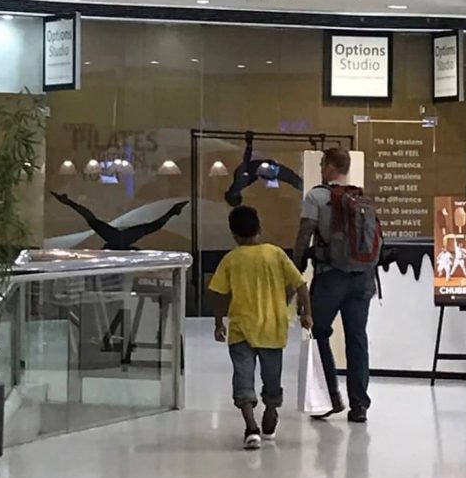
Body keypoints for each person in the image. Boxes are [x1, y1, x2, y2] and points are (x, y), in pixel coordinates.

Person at [210, 205, 312, 450]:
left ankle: (250, 427)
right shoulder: (275, 254)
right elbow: (300, 284)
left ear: (233, 233)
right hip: (272, 329)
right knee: (272, 377)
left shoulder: (231, 259)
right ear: (259, 228)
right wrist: (307, 313)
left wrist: (218, 322)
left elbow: (219, 294)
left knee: (242, 378)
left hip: (240, 329)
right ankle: (271, 409)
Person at [293, 148, 375, 424]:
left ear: (328, 166)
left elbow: (304, 236)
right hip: (363, 279)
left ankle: (330, 398)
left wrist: (296, 271)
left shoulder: (316, 197)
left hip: (331, 277)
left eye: (321, 164)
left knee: (318, 330)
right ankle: (359, 405)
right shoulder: (361, 198)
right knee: (357, 339)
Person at [50, 192, 188, 249]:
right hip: (118, 240)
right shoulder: (119, 243)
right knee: (149, 228)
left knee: (91, 220)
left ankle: (173, 211)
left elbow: (89, 217)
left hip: (117, 239)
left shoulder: (117, 242)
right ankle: (173, 211)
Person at [224, 132, 303, 207]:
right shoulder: (239, 182)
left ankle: (305, 187)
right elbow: (247, 165)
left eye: (235, 196)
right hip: (263, 169)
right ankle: (305, 187)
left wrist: (249, 144)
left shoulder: (239, 181)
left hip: (263, 169)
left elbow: (246, 162)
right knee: (291, 178)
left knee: (291, 178)